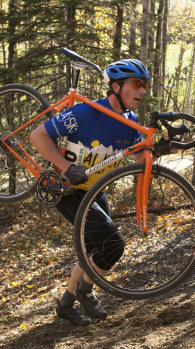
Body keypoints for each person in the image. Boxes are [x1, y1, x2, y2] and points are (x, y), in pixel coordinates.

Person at [30, 59, 150, 326]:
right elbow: (38, 136)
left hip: (96, 189)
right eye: (136, 84)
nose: (142, 91)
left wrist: (160, 146)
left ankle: (67, 303)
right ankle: (85, 291)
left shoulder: (131, 121)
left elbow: (141, 158)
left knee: (97, 247)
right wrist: (65, 166)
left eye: (145, 86)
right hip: (68, 190)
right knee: (114, 244)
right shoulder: (86, 112)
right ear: (116, 86)